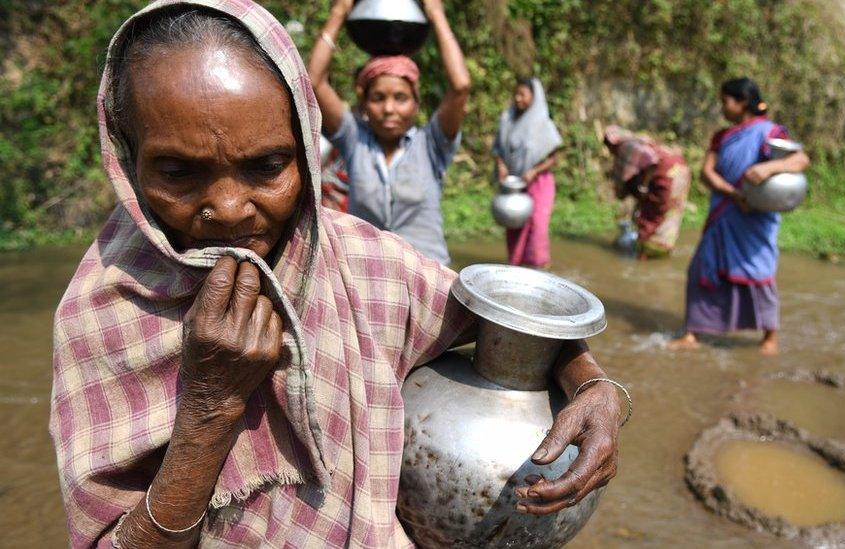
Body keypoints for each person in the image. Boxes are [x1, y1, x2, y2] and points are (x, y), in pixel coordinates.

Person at [49, 2, 623, 546]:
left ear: (304, 149)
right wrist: (209, 410)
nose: (227, 208)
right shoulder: (105, 312)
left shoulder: (362, 263)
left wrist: (594, 385)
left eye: (268, 167)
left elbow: (503, 322)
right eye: (176, 171)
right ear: (127, 160)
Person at [308, 0, 469, 265]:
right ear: (364, 104)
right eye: (378, 98)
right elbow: (314, 81)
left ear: (416, 103)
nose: (389, 109)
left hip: (428, 279)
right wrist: (339, 13)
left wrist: (437, 16)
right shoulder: (355, 140)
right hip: (369, 278)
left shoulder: (431, 145)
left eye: (401, 98)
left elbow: (460, 86)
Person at [669, 78, 809, 355]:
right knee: (702, 269)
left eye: (726, 101)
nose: (722, 107)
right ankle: (692, 333)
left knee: (757, 272)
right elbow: (707, 172)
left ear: (742, 102)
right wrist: (733, 193)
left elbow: (800, 160)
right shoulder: (723, 136)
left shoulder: (769, 132)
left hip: (755, 217)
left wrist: (769, 169)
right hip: (726, 211)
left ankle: (770, 338)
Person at [493, 77, 562, 267]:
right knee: (514, 226)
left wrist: (534, 171)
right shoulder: (507, 119)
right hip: (515, 184)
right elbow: (498, 149)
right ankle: (515, 267)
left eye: (522, 94)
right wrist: (501, 165)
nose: (518, 98)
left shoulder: (543, 124)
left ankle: (538, 269)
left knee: (537, 226)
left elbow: (554, 157)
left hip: (539, 183)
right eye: (516, 94)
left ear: (534, 96)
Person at [603, 126, 691, 259]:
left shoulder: (626, 147)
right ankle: (662, 249)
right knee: (670, 211)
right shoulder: (640, 142)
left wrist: (643, 186)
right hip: (680, 169)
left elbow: (649, 163)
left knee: (653, 212)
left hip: (665, 174)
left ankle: (646, 252)